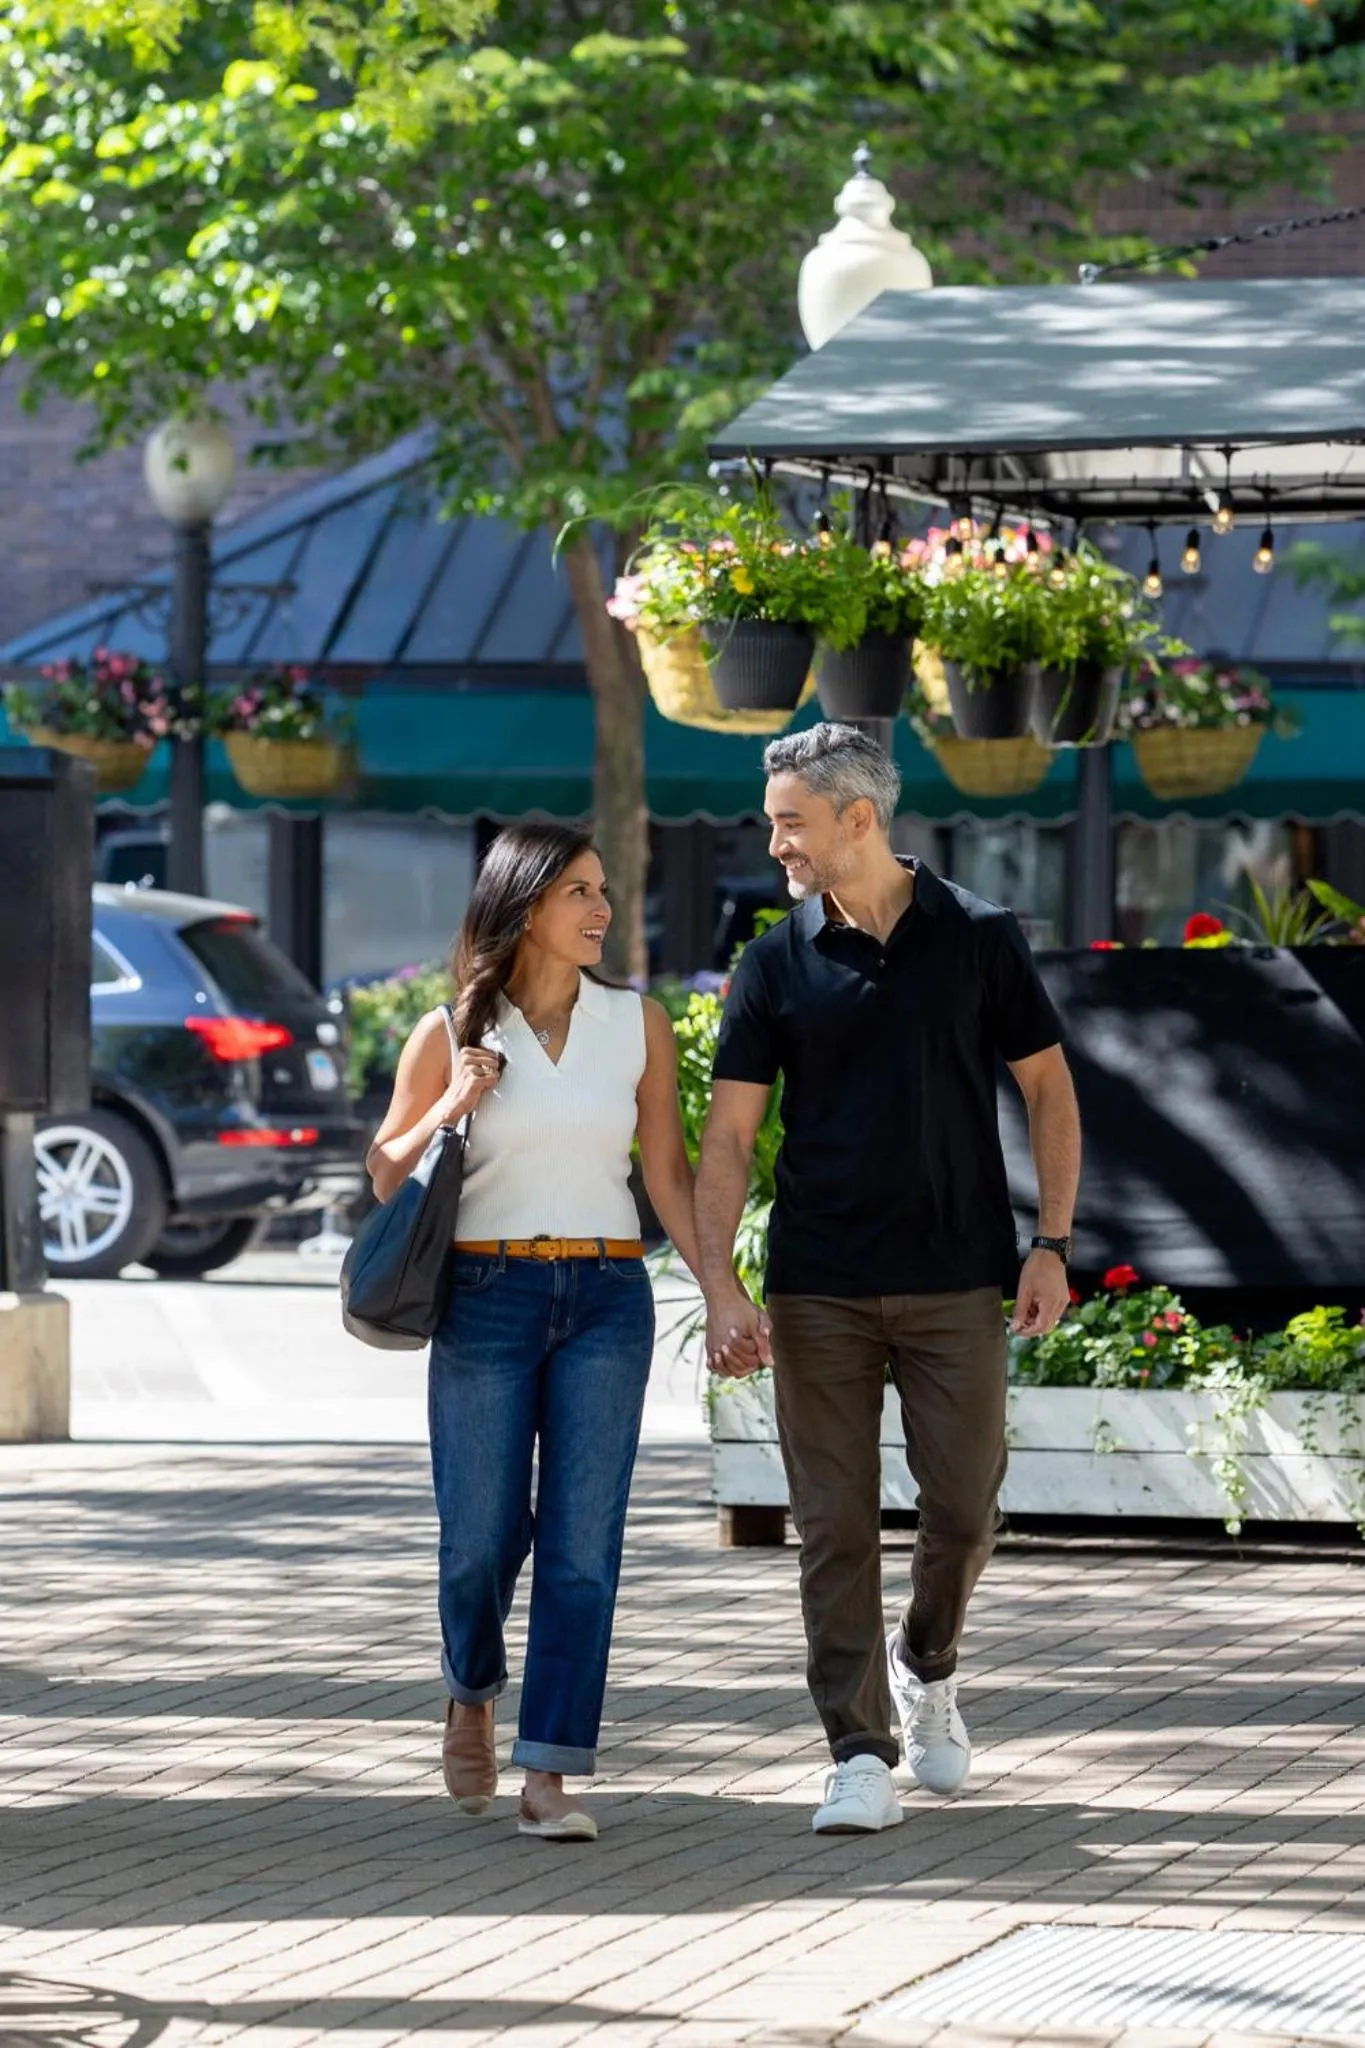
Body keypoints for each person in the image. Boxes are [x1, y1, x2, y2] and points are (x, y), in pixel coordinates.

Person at [695, 724, 1080, 1836]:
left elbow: (1049, 1092)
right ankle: (858, 1751)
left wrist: (1051, 1242)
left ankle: (929, 1660)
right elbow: (729, 1137)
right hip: (817, 1284)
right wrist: (722, 1285)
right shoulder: (773, 962)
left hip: (956, 1277)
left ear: (858, 818)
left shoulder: (978, 935)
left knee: (963, 1508)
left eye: (792, 823)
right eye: (773, 822)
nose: (776, 843)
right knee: (833, 1524)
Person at [368, 823, 702, 1842]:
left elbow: (667, 1174)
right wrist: (455, 1099)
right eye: (579, 893)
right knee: (479, 1538)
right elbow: (384, 1172)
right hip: (487, 1295)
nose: (603, 909)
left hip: (607, 1295)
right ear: (523, 908)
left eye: (602, 890)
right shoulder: (450, 1028)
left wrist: (724, 1291)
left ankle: (551, 1768)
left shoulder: (636, 1022)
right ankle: (470, 1686)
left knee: (581, 1547)